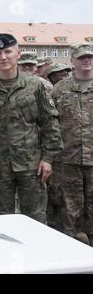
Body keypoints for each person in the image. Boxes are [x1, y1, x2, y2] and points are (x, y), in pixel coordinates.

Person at [0, 34, 63, 223]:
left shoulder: (35, 86)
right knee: (2, 218)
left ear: (18, 54)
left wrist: (48, 159)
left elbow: (49, 123)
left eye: (8, 52)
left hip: (31, 164)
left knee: (35, 217)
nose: (3, 57)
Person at [51, 43, 93, 245]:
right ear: (72, 61)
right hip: (68, 161)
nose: (87, 60)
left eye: (90, 57)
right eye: (82, 57)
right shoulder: (60, 89)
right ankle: (69, 252)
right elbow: (50, 124)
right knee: (69, 211)